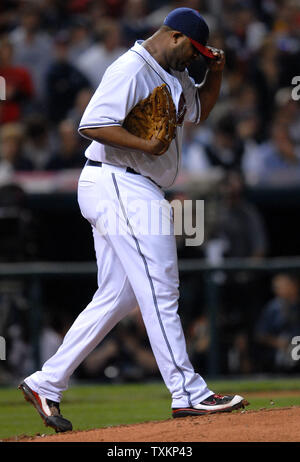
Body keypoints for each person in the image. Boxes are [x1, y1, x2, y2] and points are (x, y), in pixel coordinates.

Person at [19, 8, 248, 433]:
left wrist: (214, 73)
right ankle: (188, 393)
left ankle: (45, 382)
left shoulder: (176, 75)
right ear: (175, 36)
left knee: (118, 296)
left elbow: (198, 112)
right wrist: (145, 142)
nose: (194, 60)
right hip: (120, 182)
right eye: (193, 52)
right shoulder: (131, 67)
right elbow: (91, 124)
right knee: (162, 284)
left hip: (130, 185)